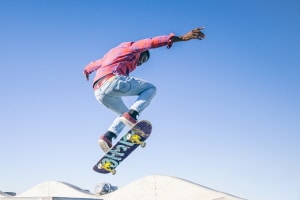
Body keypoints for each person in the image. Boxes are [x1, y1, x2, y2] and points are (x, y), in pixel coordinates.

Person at [83, 27, 205, 152]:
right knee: (151, 89)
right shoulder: (131, 47)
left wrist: (87, 70)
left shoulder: (110, 54)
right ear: (140, 53)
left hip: (99, 92)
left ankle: (108, 136)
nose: (141, 63)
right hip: (112, 81)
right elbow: (150, 42)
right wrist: (181, 38)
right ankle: (133, 114)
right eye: (143, 59)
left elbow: (96, 63)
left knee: (122, 115)